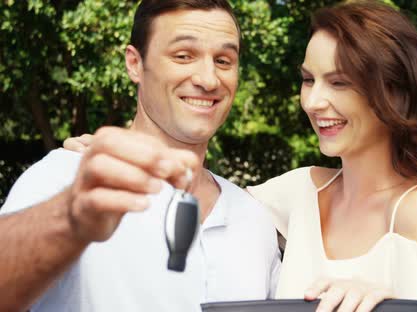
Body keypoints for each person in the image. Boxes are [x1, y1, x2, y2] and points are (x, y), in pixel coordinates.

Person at [65, 0, 417, 311]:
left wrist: (390, 305)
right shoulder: (297, 192)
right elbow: (207, 198)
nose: (314, 102)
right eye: (309, 80)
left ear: (395, 93)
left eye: (340, 83)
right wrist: (120, 151)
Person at [0, 0, 280, 311]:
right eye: (183, 56)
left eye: (224, 61)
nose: (208, 79)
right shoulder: (65, 178)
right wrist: (70, 218)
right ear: (135, 64)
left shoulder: (254, 220)